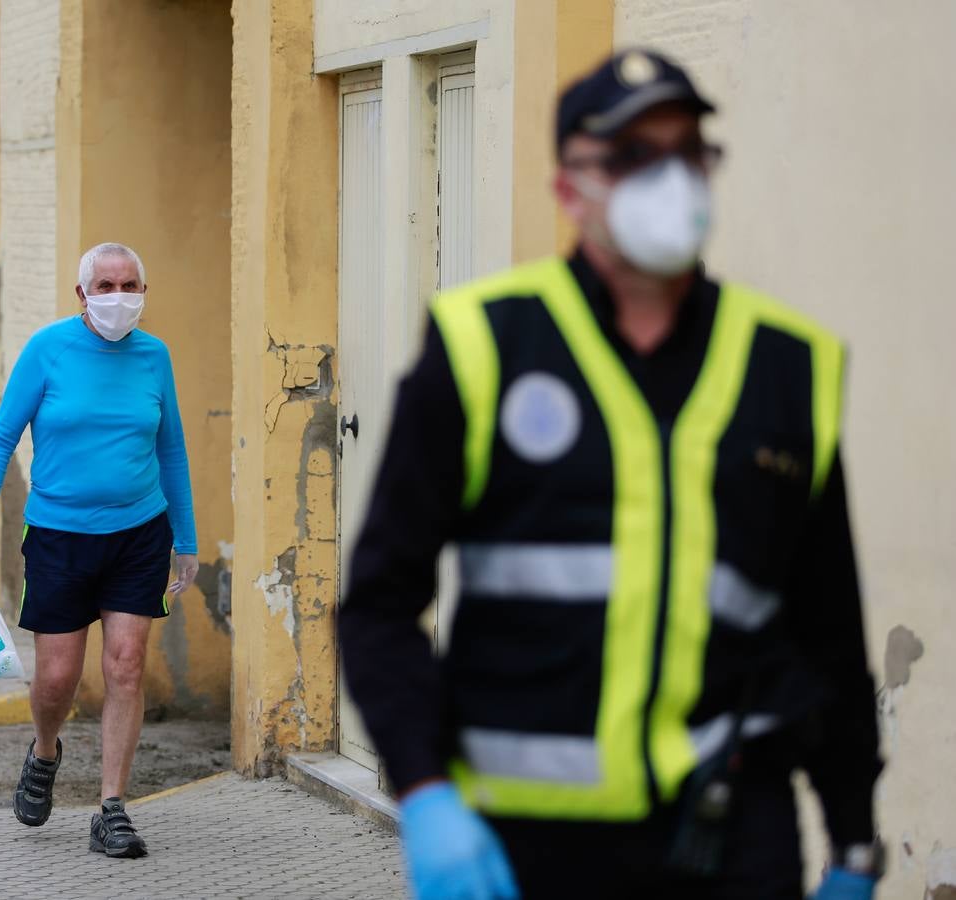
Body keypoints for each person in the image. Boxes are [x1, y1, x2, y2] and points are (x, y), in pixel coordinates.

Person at [338, 50, 883, 900]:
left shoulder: (785, 368)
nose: (666, 178)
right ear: (568, 191)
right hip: (524, 848)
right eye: (630, 155)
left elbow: (828, 633)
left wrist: (853, 844)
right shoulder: (485, 347)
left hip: (728, 835)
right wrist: (424, 791)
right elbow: (378, 602)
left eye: (685, 152)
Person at [0, 242, 198, 859]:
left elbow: (171, 448)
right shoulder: (48, 350)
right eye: (107, 285)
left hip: (140, 534)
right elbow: (0, 437)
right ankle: (44, 750)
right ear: (81, 295)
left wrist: (186, 540)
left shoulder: (154, 356)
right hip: (59, 537)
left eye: (131, 284)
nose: (120, 296)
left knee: (125, 666)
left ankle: (111, 808)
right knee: (57, 678)